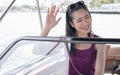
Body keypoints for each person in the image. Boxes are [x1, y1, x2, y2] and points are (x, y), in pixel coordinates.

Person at [41, 1, 106, 75]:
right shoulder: (65, 41)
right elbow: (38, 51)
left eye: (87, 17)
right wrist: (47, 27)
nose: (85, 23)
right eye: (79, 20)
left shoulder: (99, 42)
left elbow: (99, 72)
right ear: (72, 24)